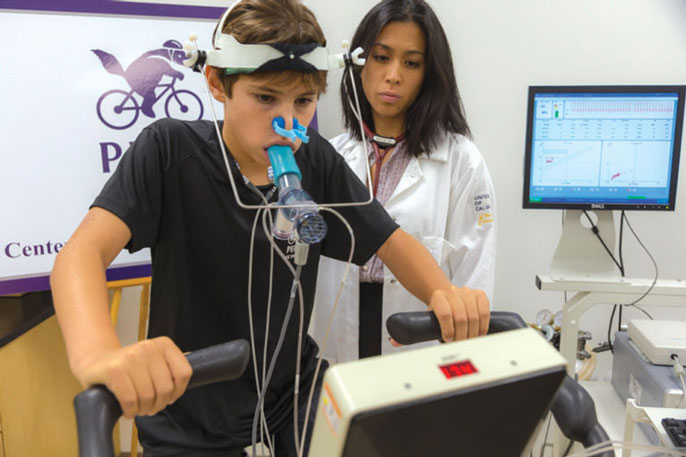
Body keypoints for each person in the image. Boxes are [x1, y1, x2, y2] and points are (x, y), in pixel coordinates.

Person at [50, 0, 489, 455]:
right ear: (217, 83)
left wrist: (443, 292)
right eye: (265, 98)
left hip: (292, 391)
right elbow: (80, 257)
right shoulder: (168, 152)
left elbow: (390, 240)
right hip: (190, 401)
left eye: (303, 102)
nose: (287, 124)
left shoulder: (313, 156)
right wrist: (99, 354)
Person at [312, 0, 496, 361]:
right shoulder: (332, 157)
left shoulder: (462, 163)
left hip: (420, 340)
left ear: (430, 73)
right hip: (336, 338)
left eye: (411, 63)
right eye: (381, 57)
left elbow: (474, 283)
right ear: (359, 64)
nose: (393, 75)